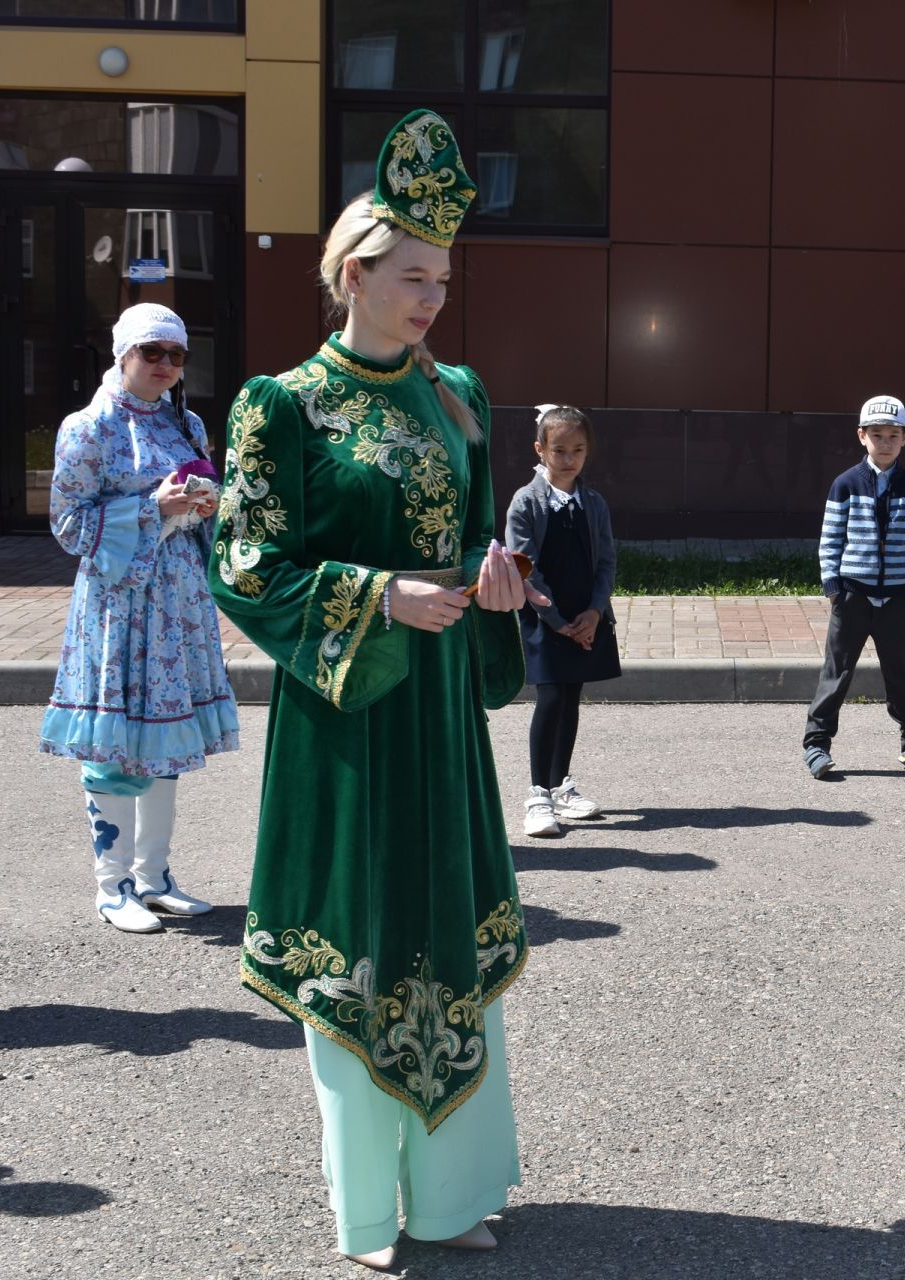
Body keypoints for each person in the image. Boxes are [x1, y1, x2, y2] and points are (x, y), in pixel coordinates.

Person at [208, 109, 545, 1270]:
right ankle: (366, 1210)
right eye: (412, 276)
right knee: (360, 926)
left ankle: (451, 1195)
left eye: (444, 279)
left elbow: (472, 547)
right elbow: (247, 564)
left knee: (445, 924)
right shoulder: (280, 405)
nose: (433, 298)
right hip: (349, 714)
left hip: (441, 710)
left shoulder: (461, 394)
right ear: (353, 273)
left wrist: (496, 586)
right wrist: (372, 596)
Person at [40, 302, 239, 934]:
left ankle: (154, 878)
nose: (165, 366)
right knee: (116, 745)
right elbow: (68, 526)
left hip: (177, 605)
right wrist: (152, 508)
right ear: (122, 354)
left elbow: (205, 507)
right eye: (152, 352)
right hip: (118, 606)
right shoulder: (88, 428)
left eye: (176, 355)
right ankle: (112, 884)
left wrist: (204, 507)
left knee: (163, 741)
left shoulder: (188, 422)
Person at [801, 395, 905, 779]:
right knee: (838, 671)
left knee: (897, 673)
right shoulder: (845, 484)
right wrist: (833, 588)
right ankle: (816, 744)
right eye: (877, 435)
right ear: (862, 436)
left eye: (894, 435)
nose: (886, 442)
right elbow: (830, 539)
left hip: (895, 597)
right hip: (852, 595)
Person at [505, 403, 620, 837]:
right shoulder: (526, 502)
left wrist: (592, 612)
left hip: (584, 618)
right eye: (559, 450)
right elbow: (525, 563)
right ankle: (537, 794)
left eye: (578, 450)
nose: (569, 459)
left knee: (571, 699)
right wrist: (554, 618)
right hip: (544, 618)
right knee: (550, 698)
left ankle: (560, 785)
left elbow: (606, 562)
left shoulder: (593, 503)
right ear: (540, 450)